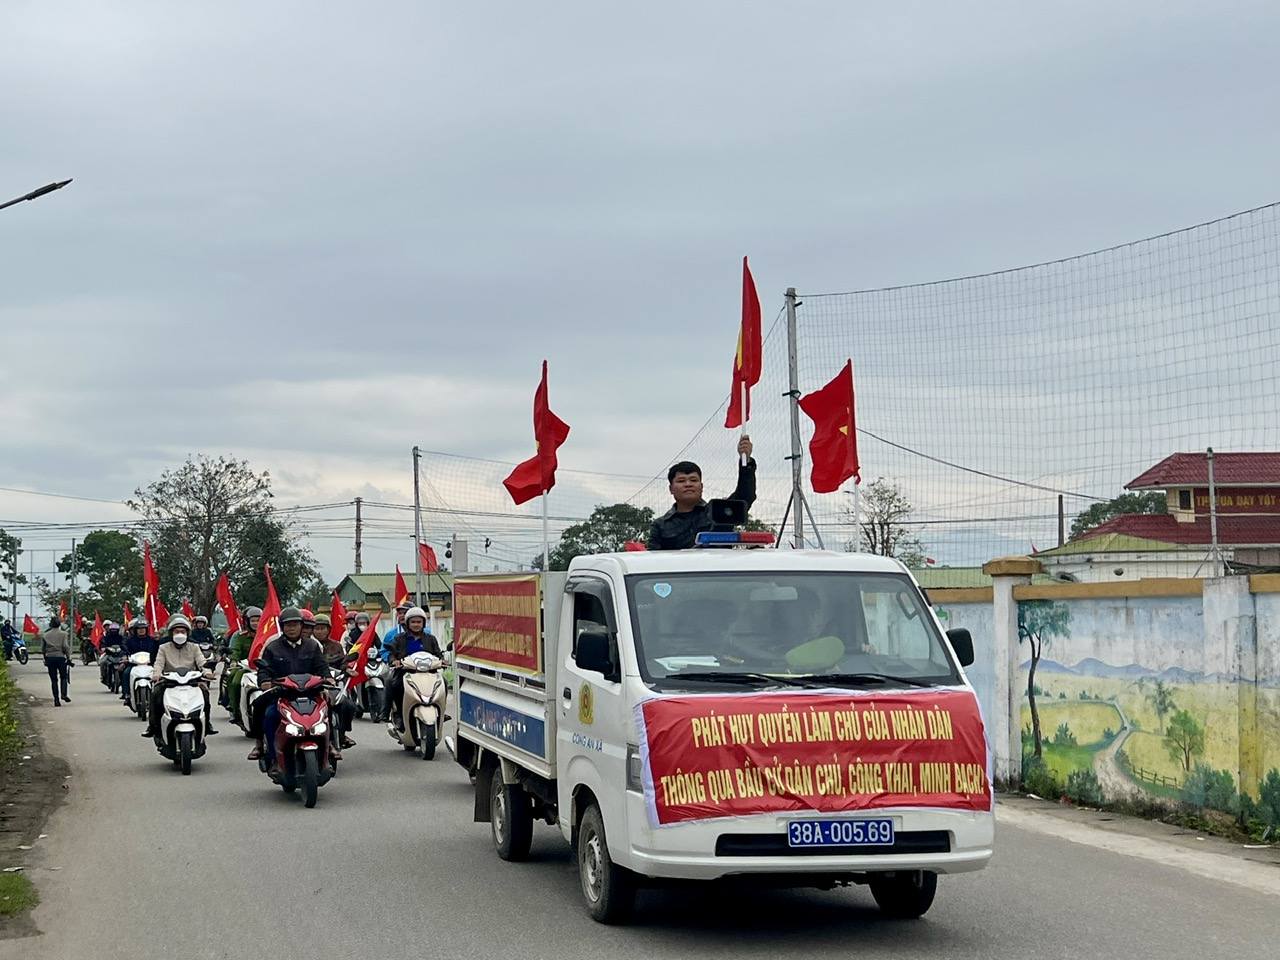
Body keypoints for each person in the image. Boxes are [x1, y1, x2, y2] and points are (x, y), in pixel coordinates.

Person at [247, 607, 330, 766]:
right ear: (282, 627)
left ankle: (330, 745)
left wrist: (327, 680)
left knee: (329, 708)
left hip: (310, 693)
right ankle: (264, 748)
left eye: (295, 624)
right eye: (288, 625)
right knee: (266, 712)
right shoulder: (273, 647)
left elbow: (322, 667)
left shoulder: (312, 646)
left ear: (301, 625)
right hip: (282, 694)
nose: (291, 628)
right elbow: (264, 669)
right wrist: (265, 681)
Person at [647, 437, 757, 550]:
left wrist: (746, 461)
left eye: (693, 480)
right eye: (681, 481)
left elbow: (745, 496)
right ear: (671, 489)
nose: (688, 484)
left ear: (701, 486)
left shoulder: (718, 512)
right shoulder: (660, 526)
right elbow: (653, 560)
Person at [142, 616, 218, 737]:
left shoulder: (194, 647)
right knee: (155, 694)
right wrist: (156, 675)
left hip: (191, 682)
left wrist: (207, 672)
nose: (180, 634)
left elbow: (202, 662)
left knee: (205, 693)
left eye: (183, 632)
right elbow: (159, 663)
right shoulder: (164, 647)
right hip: (168, 682)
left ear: (187, 633)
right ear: (171, 633)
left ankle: (207, 723)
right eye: (177, 632)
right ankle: (152, 726)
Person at [382, 606, 443, 726]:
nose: (416, 624)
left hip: (428, 673)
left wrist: (442, 661)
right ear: (408, 623)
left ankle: (440, 711)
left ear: (423, 623)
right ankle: (397, 714)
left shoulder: (430, 639)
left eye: (419, 622)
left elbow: (438, 654)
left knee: (443, 683)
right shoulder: (399, 638)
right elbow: (392, 654)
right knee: (393, 684)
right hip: (405, 672)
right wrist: (394, 661)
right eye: (413, 622)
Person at [314, 614, 356, 749]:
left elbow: (343, 663)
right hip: (313, 686)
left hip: (334, 684)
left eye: (323, 628)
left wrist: (347, 670)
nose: (320, 631)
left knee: (348, 705)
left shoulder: (336, 646)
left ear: (328, 629)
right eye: (317, 628)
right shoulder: (309, 645)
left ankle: (342, 734)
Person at [222, 606, 262, 718]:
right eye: (253, 620)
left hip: (264, 667)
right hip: (244, 667)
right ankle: (235, 709)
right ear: (247, 621)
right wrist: (233, 661)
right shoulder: (239, 636)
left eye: (258, 620)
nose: (256, 623)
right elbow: (234, 650)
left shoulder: (265, 634)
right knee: (235, 681)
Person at [120, 618, 159, 707]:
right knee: (126, 673)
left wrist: (157, 641)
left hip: (149, 664)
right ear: (135, 630)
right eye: (139, 629)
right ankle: (127, 694)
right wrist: (125, 658)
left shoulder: (152, 640)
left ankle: (158, 695)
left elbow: (158, 651)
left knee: (159, 674)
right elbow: (125, 650)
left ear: (146, 629)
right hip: (134, 664)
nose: (141, 630)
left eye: (143, 628)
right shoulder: (129, 640)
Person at [40, 617, 73, 706]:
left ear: (50, 625)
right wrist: (69, 657)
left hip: (50, 658)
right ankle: (64, 694)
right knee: (64, 677)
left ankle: (56, 700)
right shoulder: (63, 634)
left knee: (54, 680)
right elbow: (65, 646)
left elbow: (43, 649)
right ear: (59, 624)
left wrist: (45, 658)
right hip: (60, 657)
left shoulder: (45, 635)